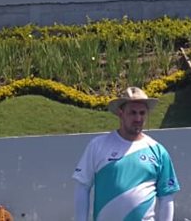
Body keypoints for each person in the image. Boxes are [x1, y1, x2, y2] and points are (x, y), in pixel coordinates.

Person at [73, 86, 180, 221]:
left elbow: (167, 197)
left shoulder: (158, 151)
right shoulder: (98, 145)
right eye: (132, 112)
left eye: (142, 113)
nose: (138, 118)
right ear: (120, 113)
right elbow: (82, 187)